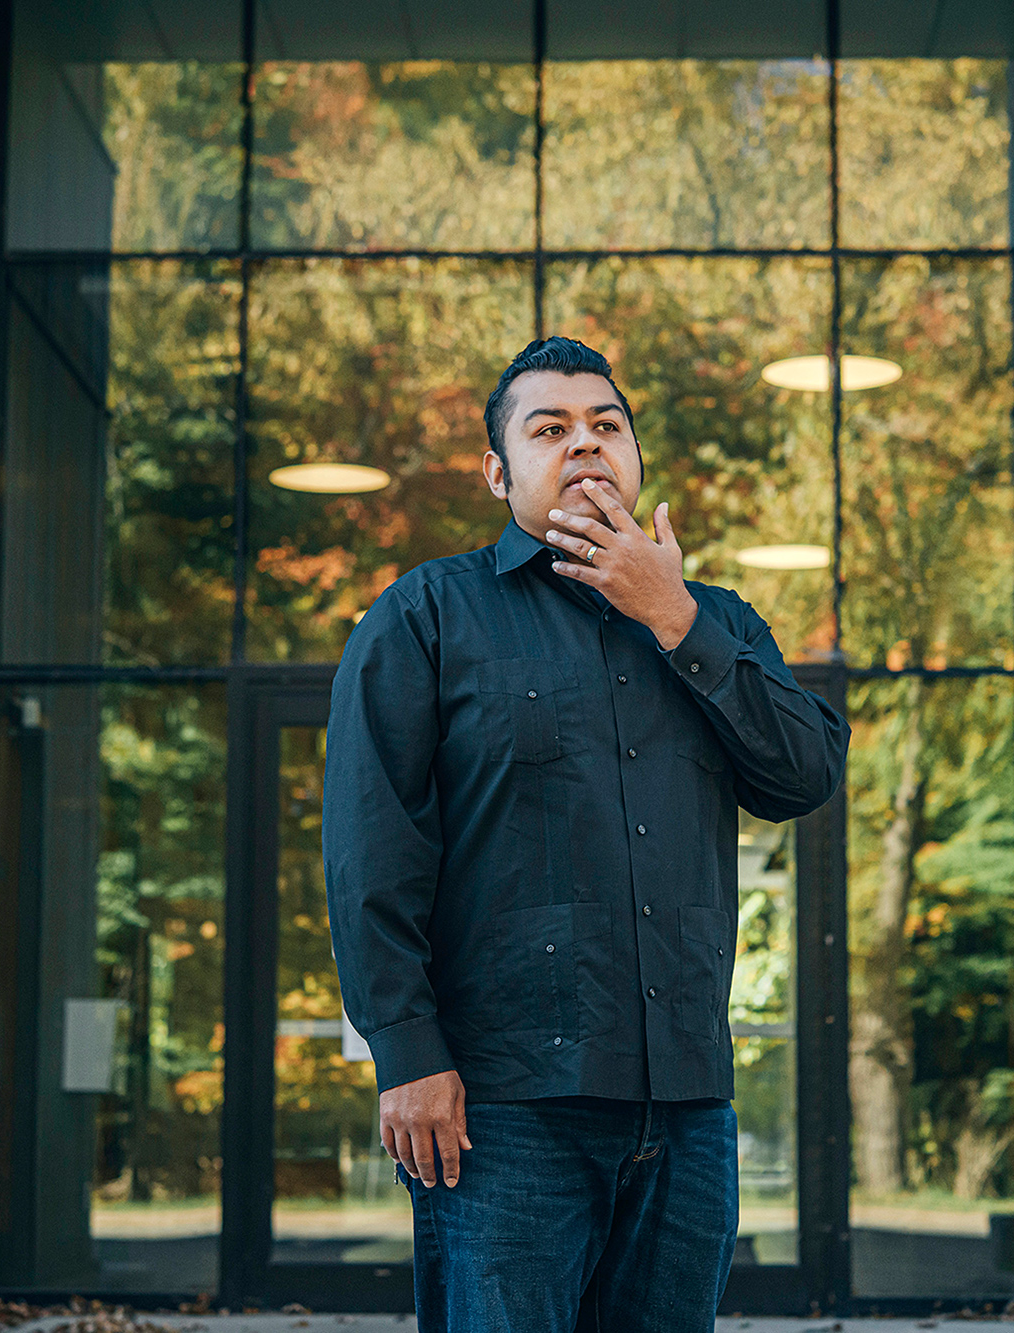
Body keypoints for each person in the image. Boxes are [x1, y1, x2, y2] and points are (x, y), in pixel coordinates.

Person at [322, 336, 849, 1332]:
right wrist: (405, 1050)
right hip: (500, 1111)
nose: (584, 444)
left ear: (636, 456)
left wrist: (672, 616)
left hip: (687, 1106)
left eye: (606, 425)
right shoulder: (425, 617)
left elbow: (804, 773)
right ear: (496, 470)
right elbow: (369, 854)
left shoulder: (715, 619)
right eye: (548, 428)